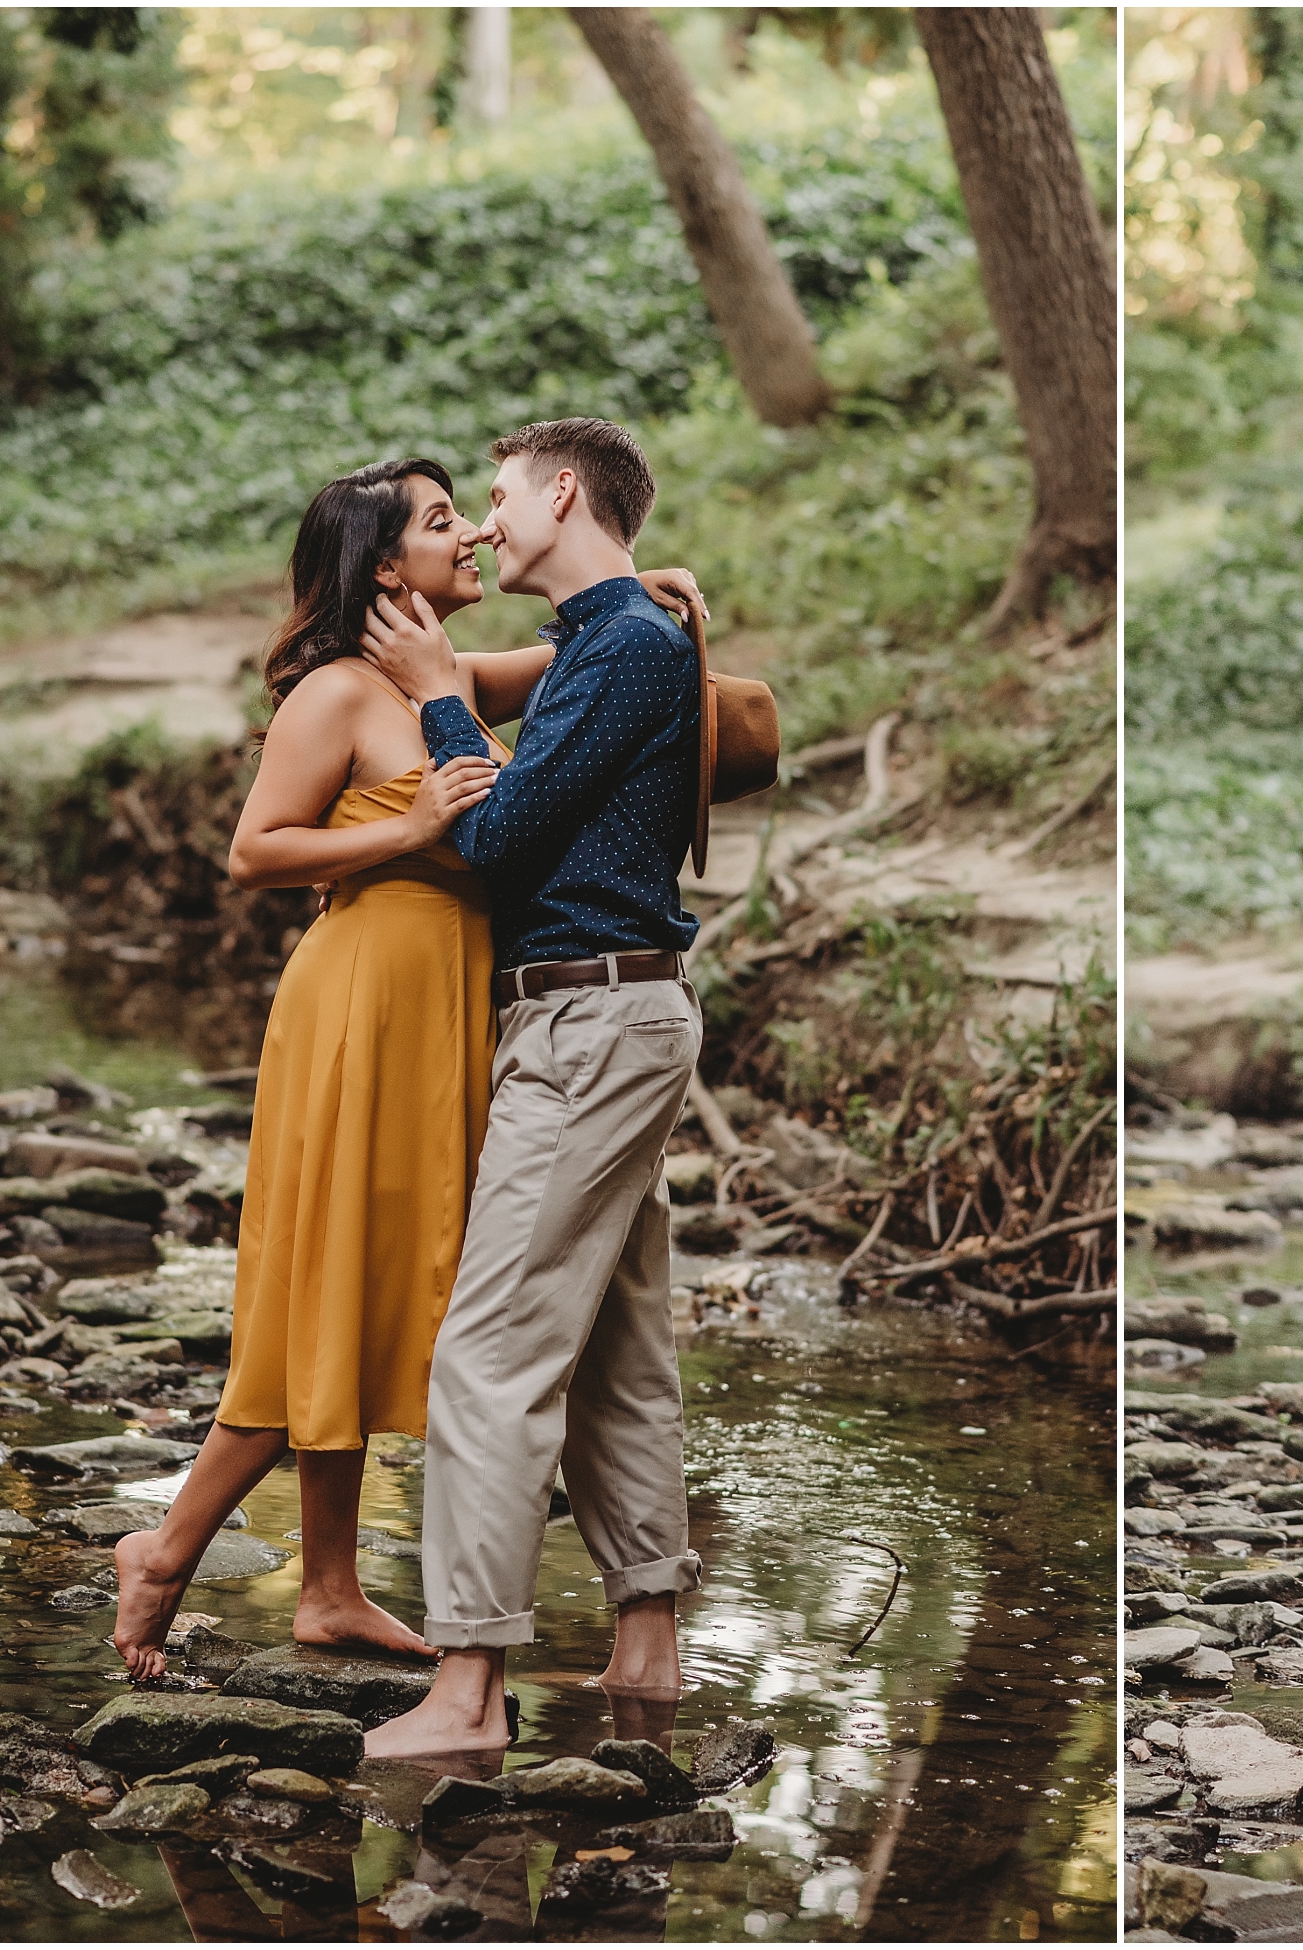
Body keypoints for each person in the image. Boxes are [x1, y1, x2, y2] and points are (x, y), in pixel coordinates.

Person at [111, 456, 702, 1682]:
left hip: (449, 1008)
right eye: (443, 525)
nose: (471, 538)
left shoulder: (438, 676)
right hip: (362, 1006)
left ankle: (328, 1590)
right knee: (326, 1285)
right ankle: (165, 1550)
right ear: (386, 566)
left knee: (381, 1285)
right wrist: (411, 828)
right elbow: (254, 851)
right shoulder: (335, 690)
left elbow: (581, 659)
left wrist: (644, 589)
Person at [353, 417, 708, 1756]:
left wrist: (441, 687)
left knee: (488, 1350)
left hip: (591, 1027)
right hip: (609, 1018)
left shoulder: (621, 646)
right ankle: (648, 1643)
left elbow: (499, 837)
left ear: (565, 494)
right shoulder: (615, 639)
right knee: (617, 1341)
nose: (488, 524)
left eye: (498, 499)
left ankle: (469, 1681)